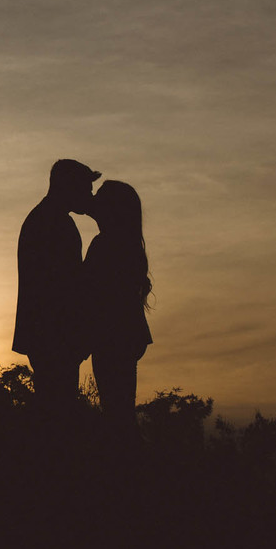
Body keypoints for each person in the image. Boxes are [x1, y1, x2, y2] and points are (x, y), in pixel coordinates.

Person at [13, 159, 101, 409]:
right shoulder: (53, 223)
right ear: (69, 187)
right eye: (86, 189)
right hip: (54, 335)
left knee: (54, 406)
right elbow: (63, 286)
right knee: (58, 409)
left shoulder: (46, 218)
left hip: (48, 334)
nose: (89, 196)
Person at [82, 180, 153, 438]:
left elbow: (89, 292)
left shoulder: (105, 245)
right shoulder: (127, 245)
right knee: (121, 411)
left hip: (112, 337)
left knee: (116, 414)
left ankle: (123, 457)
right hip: (125, 335)